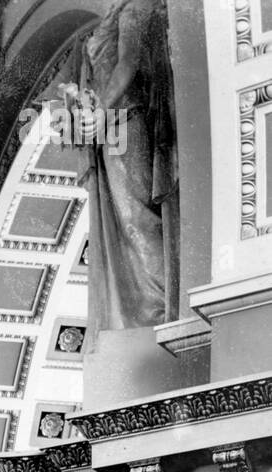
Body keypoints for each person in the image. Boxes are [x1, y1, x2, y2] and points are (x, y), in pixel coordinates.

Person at [68, 0, 179, 333]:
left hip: (125, 119)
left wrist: (100, 108)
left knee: (139, 219)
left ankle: (163, 306)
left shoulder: (135, 8)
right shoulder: (107, 19)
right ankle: (151, 307)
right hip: (109, 127)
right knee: (128, 226)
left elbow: (128, 62)